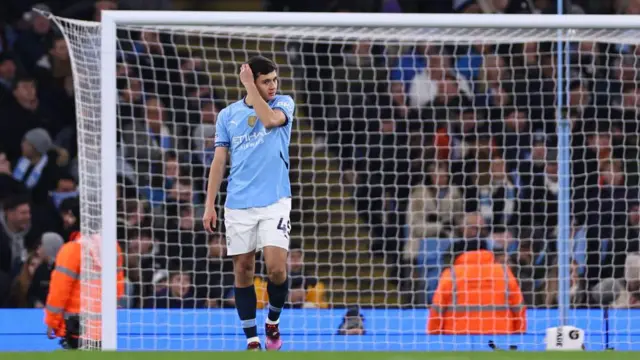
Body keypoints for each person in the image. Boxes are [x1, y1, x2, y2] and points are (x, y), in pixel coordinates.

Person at [202, 55, 295, 351]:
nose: (272, 85)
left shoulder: (283, 104)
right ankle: (252, 339)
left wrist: (249, 87)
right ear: (253, 81)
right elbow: (219, 162)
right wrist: (209, 204)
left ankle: (273, 321)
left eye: (274, 80)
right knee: (243, 268)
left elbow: (268, 120)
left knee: (277, 269)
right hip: (238, 203)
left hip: (275, 201)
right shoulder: (228, 115)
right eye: (265, 81)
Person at [44, 232, 126, 349]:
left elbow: (59, 291)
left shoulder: (71, 250)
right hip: (104, 328)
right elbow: (118, 287)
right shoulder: (113, 248)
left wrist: (52, 322)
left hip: (76, 326)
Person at [427, 239, 526, 334]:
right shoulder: (504, 272)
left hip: (457, 339)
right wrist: (518, 335)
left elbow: (437, 310)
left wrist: (434, 336)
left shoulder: (451, 274)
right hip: (500, 338)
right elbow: (518, 308)